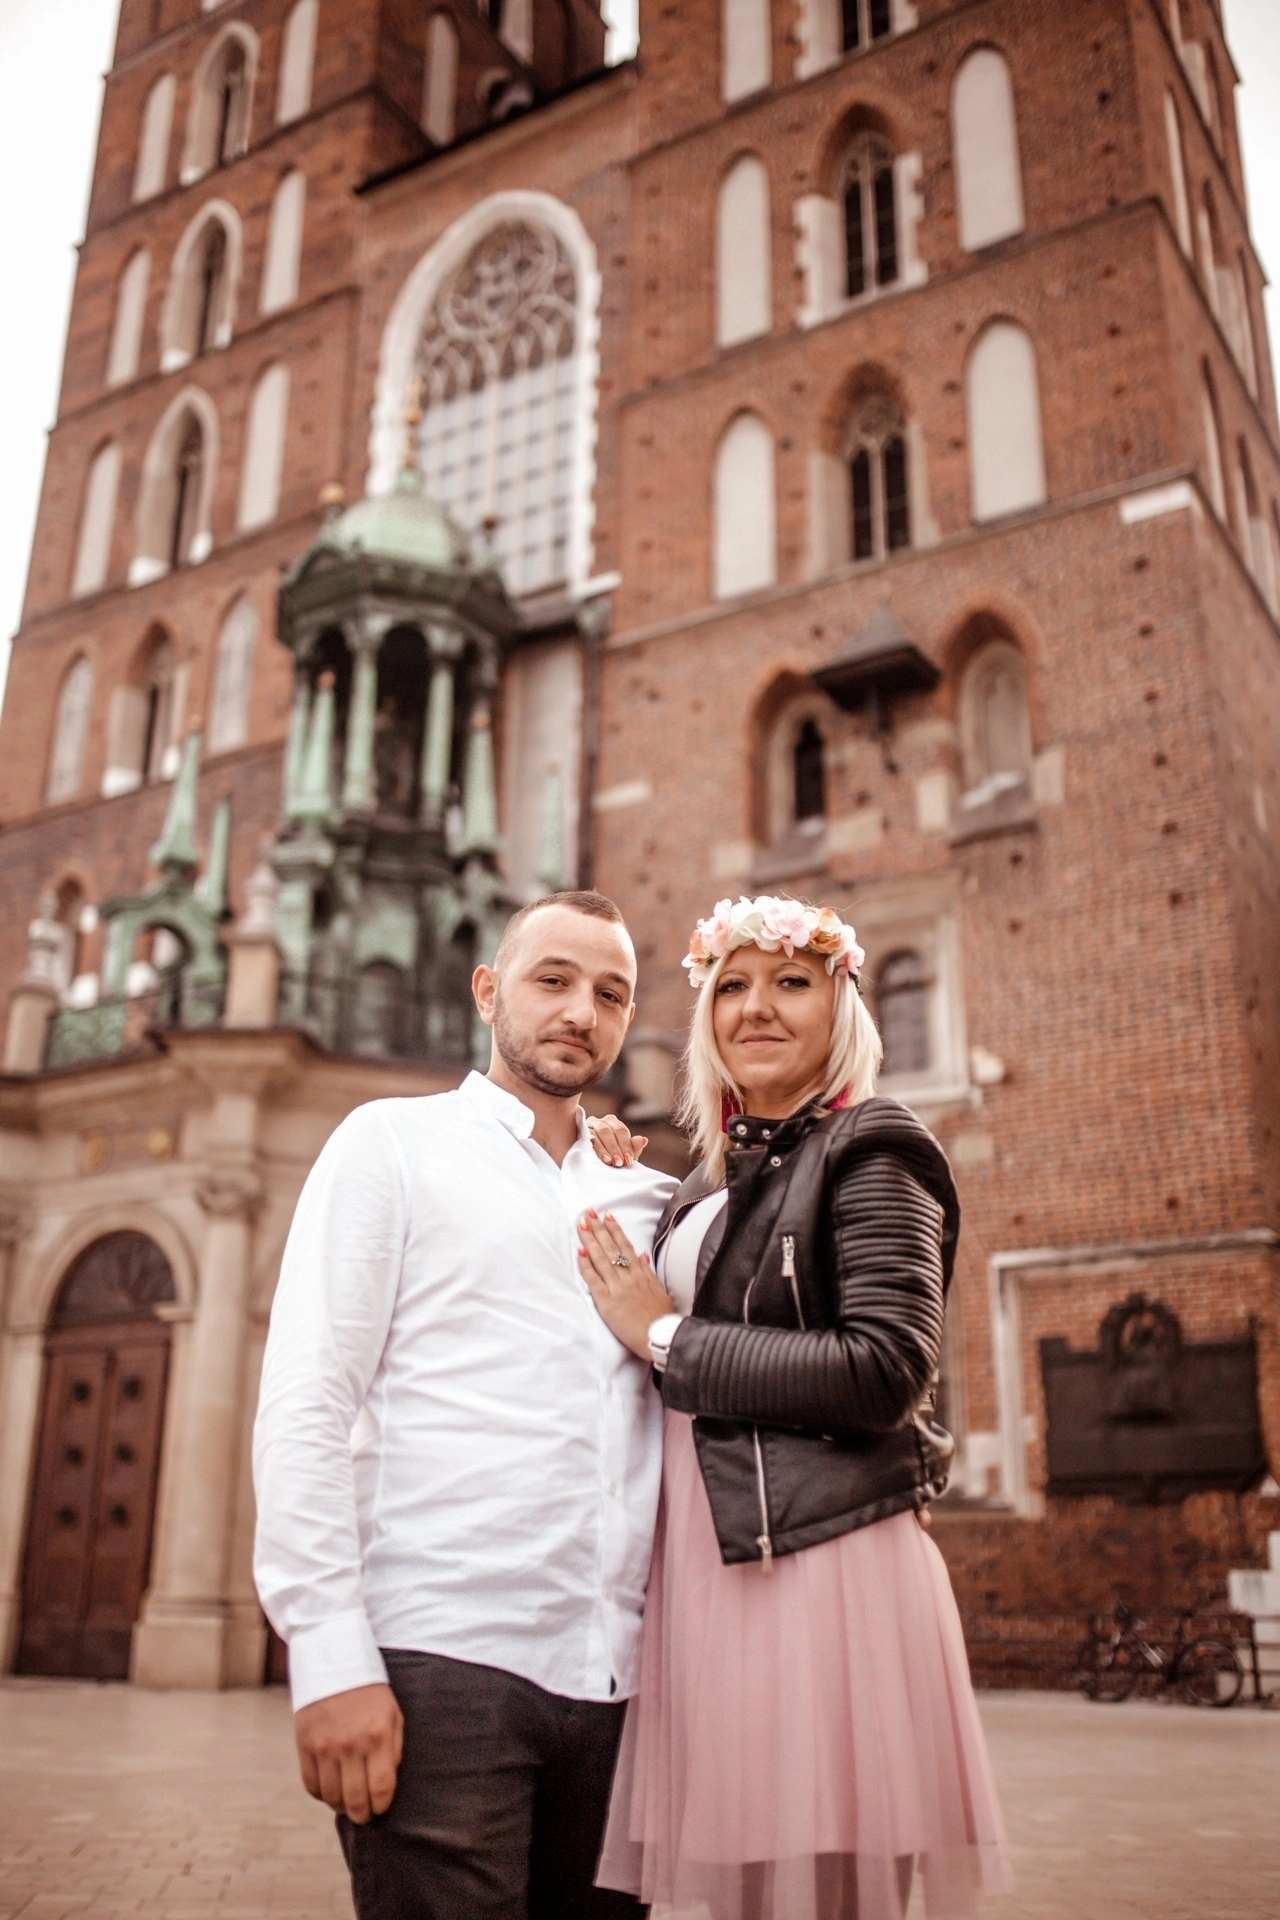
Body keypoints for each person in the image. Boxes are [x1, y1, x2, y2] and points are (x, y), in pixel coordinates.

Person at [576, 894, 1013, 1920]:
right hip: (707, 1561)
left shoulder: (874, 1146)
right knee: (743, 1893)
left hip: (822, 1559)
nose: (755, 1007)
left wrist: (665, 1337)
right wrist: (592, 1160)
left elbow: (884, 1369)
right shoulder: (703, 1182)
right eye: (730, 986)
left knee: (824, 1891)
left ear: (839, 1008)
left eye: (789, 983)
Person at [252, 889, 677, 1920]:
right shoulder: (391, 1144)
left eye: (609, 994)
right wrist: (328, 1653)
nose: (579, 1010)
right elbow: (309, 1398)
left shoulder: (651, 1200)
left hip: (623, 1685)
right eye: (552, 979)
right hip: (443, 1664)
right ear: (488, 992)